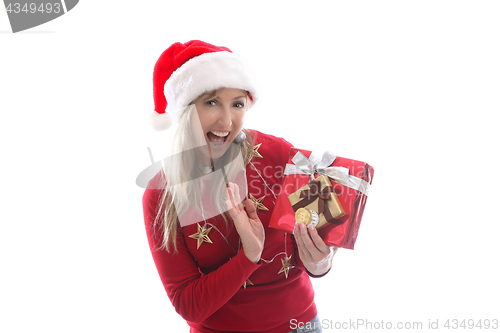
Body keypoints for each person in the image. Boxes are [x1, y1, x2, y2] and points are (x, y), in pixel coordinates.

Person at [142, 40, 337, 333]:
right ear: (185, 110)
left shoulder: (280, 156)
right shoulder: (161, 193)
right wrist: (249, 255)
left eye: (237, 104)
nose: (227, 120)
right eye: (211, 102)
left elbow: (315, 256)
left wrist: (321, 261)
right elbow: (187, 303)